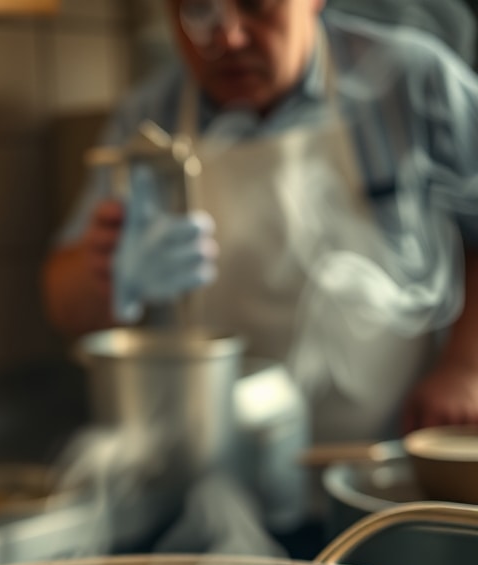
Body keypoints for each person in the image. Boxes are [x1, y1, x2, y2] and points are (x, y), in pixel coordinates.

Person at [43, 0, 478, 452]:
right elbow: (65, 305)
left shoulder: (412, 79)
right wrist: (108, 271)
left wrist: (467, 366)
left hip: (390, 459)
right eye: (198, 7)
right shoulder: (148, 119)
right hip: (216, 468)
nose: (227, 37)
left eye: (256, 5)